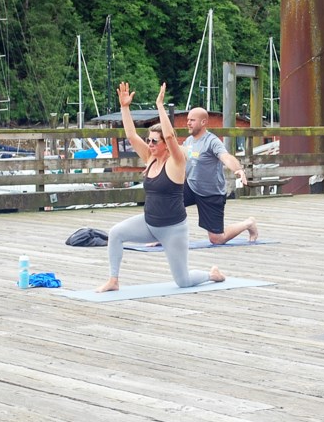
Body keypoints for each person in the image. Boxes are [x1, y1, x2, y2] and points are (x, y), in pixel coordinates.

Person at [96, 82, 225, 293]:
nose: (150, 144)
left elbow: (171, 137)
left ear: (165, 144)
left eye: (155, 141)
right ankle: (113, 280)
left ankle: (212, 274)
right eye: (149, 140)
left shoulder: (176, 162)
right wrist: (125, 107)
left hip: (173, 229)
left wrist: (160, 106)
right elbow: (130, 135)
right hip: (149, 223)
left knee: (182, 281)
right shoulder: (149, 157)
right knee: (115, 233)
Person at [183, 107, 258, 244]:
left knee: (217, 239)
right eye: (188, 120)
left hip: (211, 193)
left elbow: (225, 157)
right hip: (190, 187)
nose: (188, 123)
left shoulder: (212, 141)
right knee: (168, 204)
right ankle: (162, 237)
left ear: (203, 122)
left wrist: (238, 170)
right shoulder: (188, 141)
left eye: (192, 120)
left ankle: (248, 223)